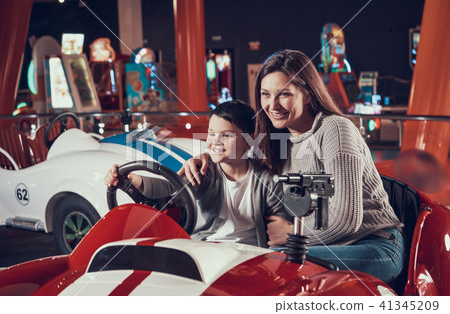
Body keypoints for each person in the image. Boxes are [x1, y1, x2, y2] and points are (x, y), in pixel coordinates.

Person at [180, 50, 404, 284]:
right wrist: (207, 156)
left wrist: (292, 233)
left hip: (373, 246)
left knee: (270, 263)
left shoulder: (335, 129)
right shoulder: (278, 141)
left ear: (308, 94)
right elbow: (239, 159)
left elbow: (346, 219)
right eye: (265, 94)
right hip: (319, 244)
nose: (272, 104)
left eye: (284, 94)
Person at [105, 100, 290, 248]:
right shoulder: (204, 171)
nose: (215, 142)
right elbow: (169, 187)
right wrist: (132, 179)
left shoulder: (266, 179)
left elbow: (279, 226)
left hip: (250, 255)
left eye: (226, 135)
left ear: (249, 141)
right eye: (211, 134)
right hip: (207, 250)